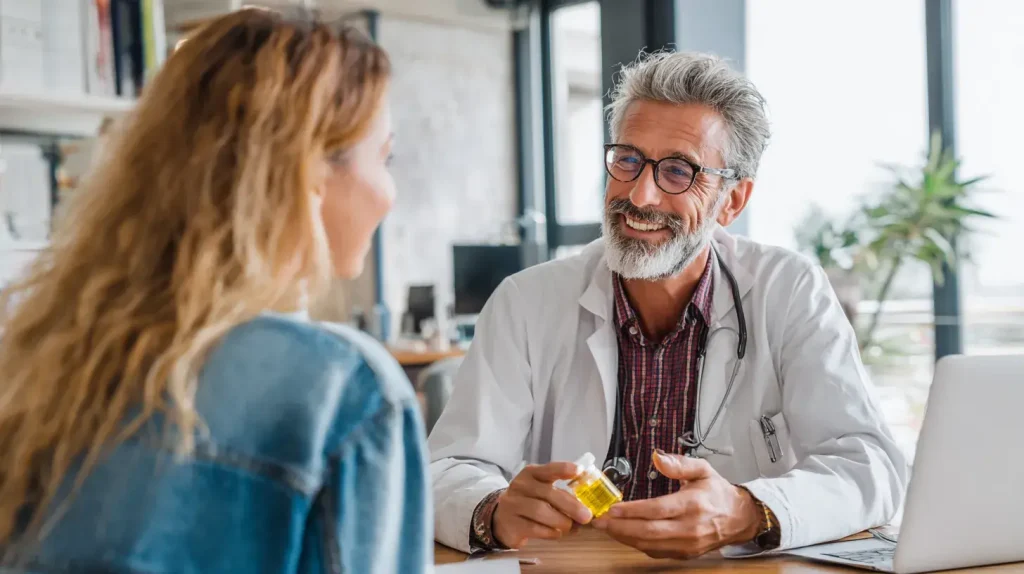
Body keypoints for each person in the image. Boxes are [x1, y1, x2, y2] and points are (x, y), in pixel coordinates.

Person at [429, 51, 908, 559]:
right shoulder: (525, 302)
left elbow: (869, 464)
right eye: (628, 159)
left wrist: (748, 510)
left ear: (732, 201)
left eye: (678, 171)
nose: (640, 195)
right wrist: (490, 509)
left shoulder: (788, 290)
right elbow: (447, 468)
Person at [0, 9, 430, 573]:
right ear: (311, 175)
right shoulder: (345, 393)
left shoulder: (51, 363)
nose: (390, 192)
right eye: (385, 157)